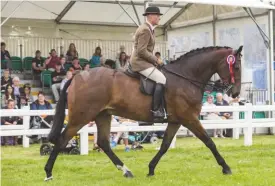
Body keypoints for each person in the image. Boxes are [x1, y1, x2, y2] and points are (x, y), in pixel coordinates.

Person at [130, 6, 165, 120]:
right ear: (150, 16)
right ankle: (155, 111)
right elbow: (141, 51)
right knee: (162, 79)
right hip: (140, 62)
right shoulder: (145, 29)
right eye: (157, 15)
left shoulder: (149, 29)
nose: (159, 18)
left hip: (144, 61)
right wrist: (156, 59)